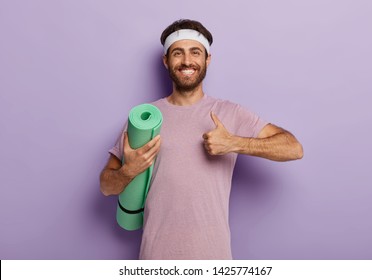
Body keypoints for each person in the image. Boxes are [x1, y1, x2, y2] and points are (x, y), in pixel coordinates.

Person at [100, 19, 303, 260]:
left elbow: (293, 148)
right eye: (178, 53)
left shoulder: (231, 113)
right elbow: (105, 186)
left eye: (195, 52)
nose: (187, 61)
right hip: (156, 258)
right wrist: (128, 171)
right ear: (166, 61)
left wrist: (235, 143)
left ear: (207, 59)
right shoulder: (144, 118)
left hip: (213, 257)